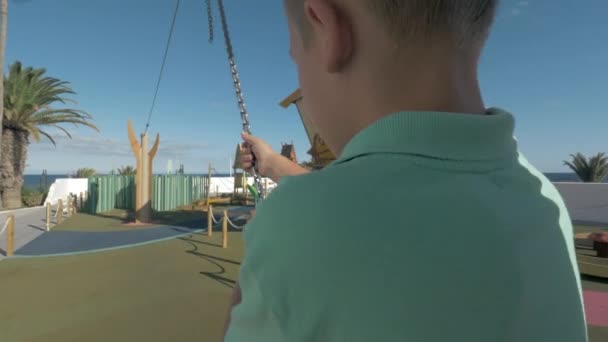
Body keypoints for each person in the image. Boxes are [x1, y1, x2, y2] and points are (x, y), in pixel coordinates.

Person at [224, 0, 588, 341]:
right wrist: (273, 165)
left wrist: (260, 259)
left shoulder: (292, 226)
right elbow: (392, 195)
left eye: (295, 59)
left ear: (327, 28)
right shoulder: (544, 203)